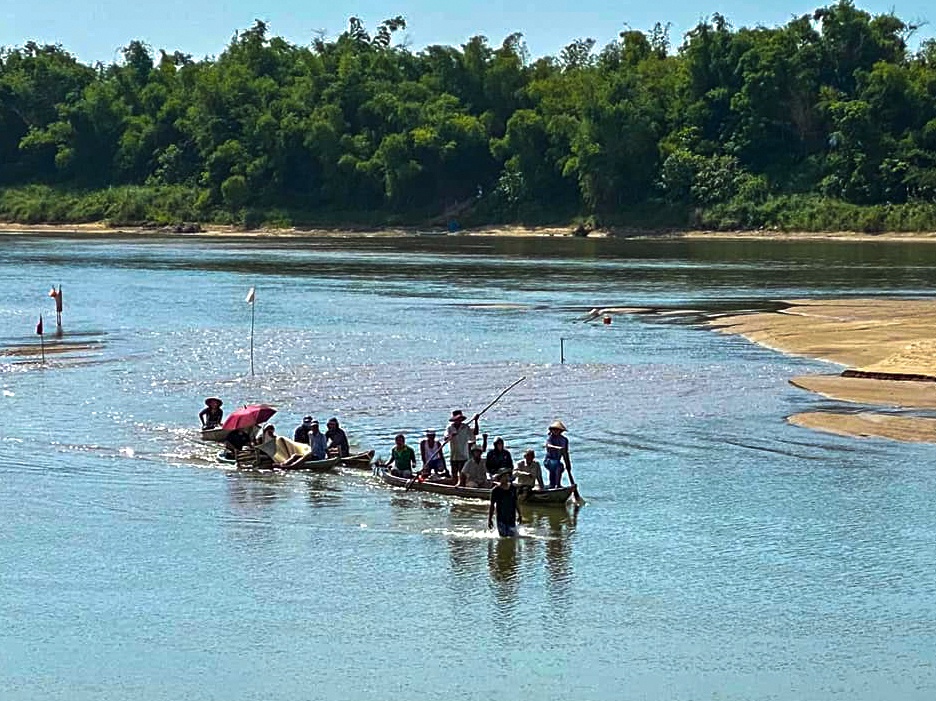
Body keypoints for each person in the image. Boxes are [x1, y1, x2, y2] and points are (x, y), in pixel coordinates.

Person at [488, 469, 522, 537]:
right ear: (500, 478)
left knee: (512, 537)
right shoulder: (495, 490)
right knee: (503, 537)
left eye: (508, 476)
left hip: (511, 517)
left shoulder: (513, 488)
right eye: (504, 476)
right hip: (501, 518)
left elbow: (516, 502)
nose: (506, 478)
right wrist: (490, 519)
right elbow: (492, 505)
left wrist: (520, 514)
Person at [446, 409, 479, 479]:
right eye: (457, 419)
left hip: (464, 456)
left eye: (460, 419)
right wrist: (451, 435)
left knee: (463, 476)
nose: (459, 420)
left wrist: (476, 421)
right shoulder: (450, 428)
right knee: (454, 476)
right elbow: (445, 438)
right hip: (454, 457)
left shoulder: (465, 427)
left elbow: (475, 433)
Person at [544, 420, 571, 489]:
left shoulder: (564, 440)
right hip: (549, 460)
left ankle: (555, 484)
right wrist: (557, 448)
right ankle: (556, 485)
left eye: (557, 430)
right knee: (558, 466)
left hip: (557, 460)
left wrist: (568, 464)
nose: (555, 431)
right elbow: (548, 445)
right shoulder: (550, 438)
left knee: (559, 466)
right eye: (554, 430)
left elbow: (565, 453)